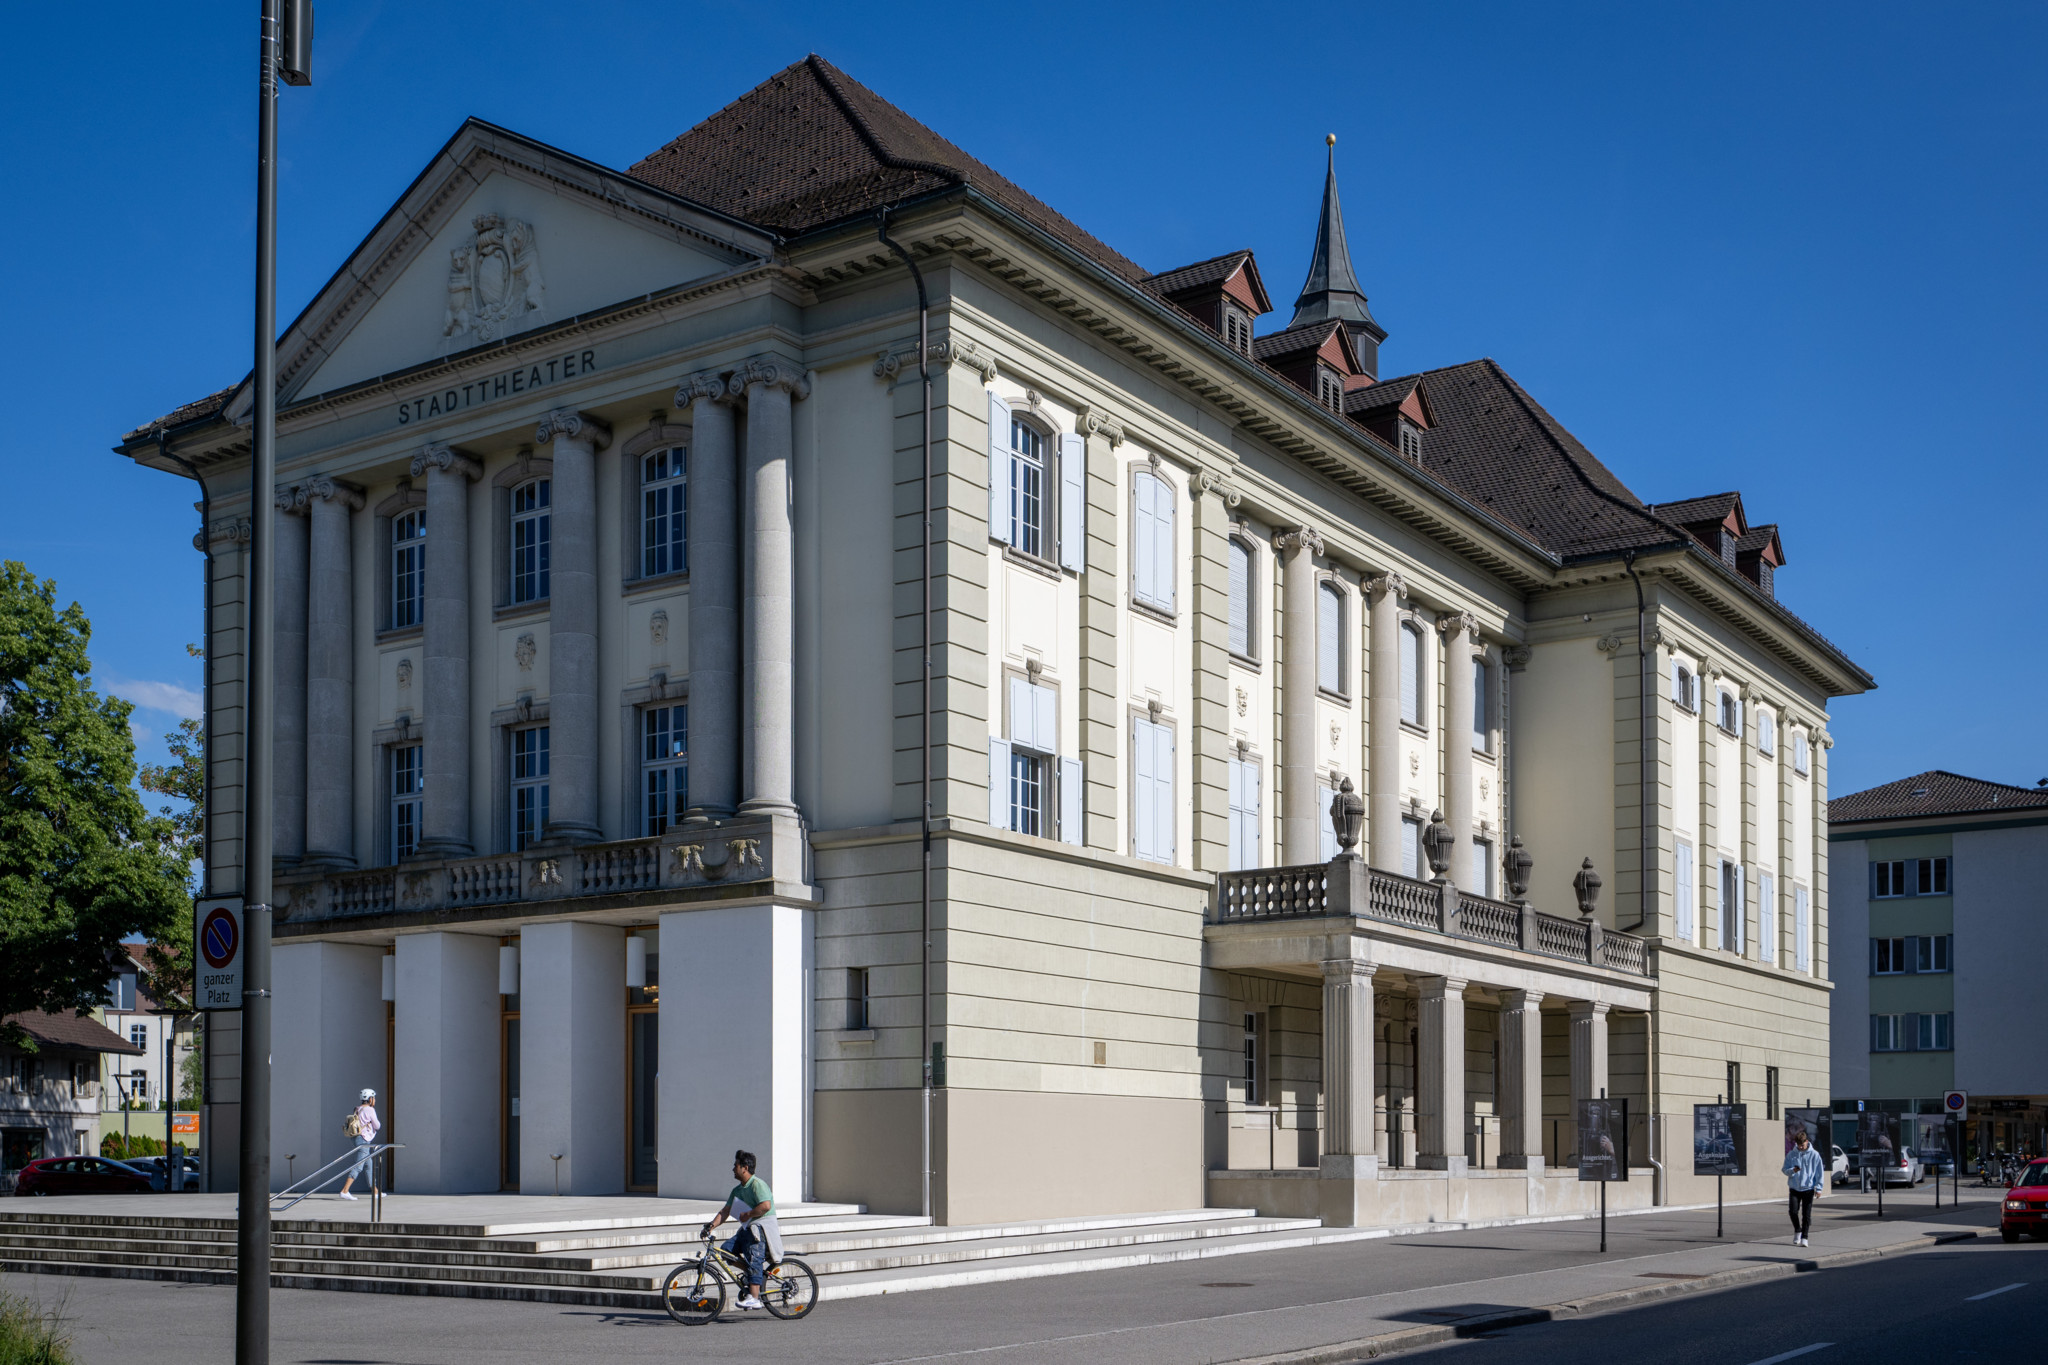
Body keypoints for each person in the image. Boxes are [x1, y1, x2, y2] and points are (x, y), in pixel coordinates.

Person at [702, 1149, 780, 1310]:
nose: (733, 1168)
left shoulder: (757, 1184)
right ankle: (753, 1273)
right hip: (748, 1228)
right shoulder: (737, 1190)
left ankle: (755, 1298)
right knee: (726, 1250)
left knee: (754, 1257)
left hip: (761, 1228)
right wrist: (711, 1226)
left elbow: (766, 1206)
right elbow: (725, 1211)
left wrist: (749, 1214)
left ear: (744, 1167)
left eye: (735, 1165)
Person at [1783, 1126, 1826, 1247]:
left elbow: (1819, 1173)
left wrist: (1819, 1188)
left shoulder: (1815, 1155)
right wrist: (1792, 1170)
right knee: (1792, 1212)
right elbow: (1784, 1169)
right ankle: (1797, 1230)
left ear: (1806, 1142)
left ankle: (1805, 1237)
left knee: (1806, 1215)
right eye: (1798, 1145)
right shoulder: (1792, 1154)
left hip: (1808, 1188)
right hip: (1795, 1188)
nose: (1800, 1147)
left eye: (1802, 1145)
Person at [338, 1088, 380, 1201]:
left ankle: (375, 1192)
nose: (375, 1100)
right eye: (374, 1098)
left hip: (356, 1138)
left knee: (368, 1165)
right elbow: (377, 1125)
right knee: (359, 1165)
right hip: (364, 1140)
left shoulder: (357, 1109)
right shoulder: (370, 1110)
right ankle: (345, 1190)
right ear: (370, 1099)